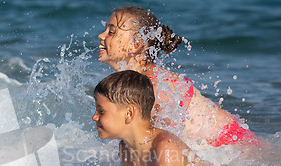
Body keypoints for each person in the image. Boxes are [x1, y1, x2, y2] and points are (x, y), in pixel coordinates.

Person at [97, 6, 259, 148]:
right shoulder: (137, 81)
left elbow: (164, 144)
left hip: (237, 148)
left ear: (137, 44)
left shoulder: (156, 85)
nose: (101, 35)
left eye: (111, 32)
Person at [92, 70, 224, 166]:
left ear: (129, 113)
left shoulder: (164, 146)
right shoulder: (125, 147)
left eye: (101, 111)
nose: (94, 117)